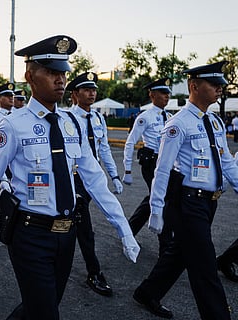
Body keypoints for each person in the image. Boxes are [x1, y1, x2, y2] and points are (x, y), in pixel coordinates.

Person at [0, 35, 139, 320]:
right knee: (46, 312)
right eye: (51, 72)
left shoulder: (71, 124)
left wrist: (124, 228)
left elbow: (95, 180)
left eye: (62, 73)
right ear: (29, 76)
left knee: (42, 307)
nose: (60, 80)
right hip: (30, 234)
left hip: (66, 234)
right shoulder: (12, 126)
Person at [134, 61, 238, 319]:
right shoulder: (177, 124)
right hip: (187, 203)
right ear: (194, 86)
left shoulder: (214, 122)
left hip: (208, 203)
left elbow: (226, 162)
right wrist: (156, 209)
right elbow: (162, 169)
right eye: (213, 85)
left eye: (220, 85)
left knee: (180, 253)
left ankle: (148, 293)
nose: (219, 89)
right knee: (204, 265)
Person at [67, 71, 123, 297]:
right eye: (87, 90)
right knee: (83, 227)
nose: (92, 93)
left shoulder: (98, 118)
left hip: (93, 177)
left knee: (77, 224)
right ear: (75, 94)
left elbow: (104, 149)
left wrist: (114, 175)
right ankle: (94, 272)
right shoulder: (67, 119)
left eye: (94, 90)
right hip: (75, 178)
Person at [122, 78, 173, 255]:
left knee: (153, 199)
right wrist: (127, 169)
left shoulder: (170, 117)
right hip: (151, 162)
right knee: (161, 199)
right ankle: (166, 245)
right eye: (163, 93)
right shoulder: (145, 117)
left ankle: (128, 231)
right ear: (152, 95)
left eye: (168, 93)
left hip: (165, 163)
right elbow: (130, 142)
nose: (167, 96)